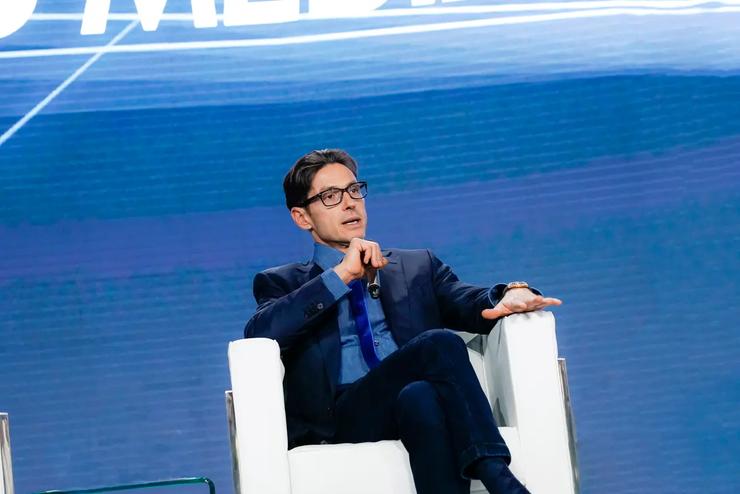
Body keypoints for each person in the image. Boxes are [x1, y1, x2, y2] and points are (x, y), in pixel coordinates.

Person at [244, 149, 562, 494]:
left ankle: (496, 477)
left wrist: (506, 294)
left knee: (421, 396)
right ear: (302, 217)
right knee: (439, 343)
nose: (350, 203)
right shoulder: (282, 282)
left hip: (409, 401)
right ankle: (498, 477)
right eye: (331, 196)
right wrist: (340, 276)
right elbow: (262, 333)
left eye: (354, 190)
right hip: (341, 417)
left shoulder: (416, 266)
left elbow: (466, 299)